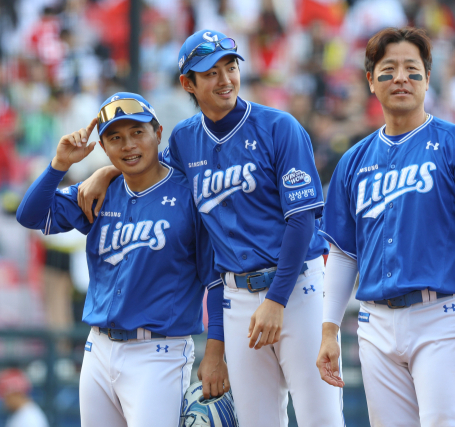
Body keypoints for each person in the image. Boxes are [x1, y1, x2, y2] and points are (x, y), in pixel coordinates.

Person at [78, 30, 345, 427]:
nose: (224, 80)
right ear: (188, 83)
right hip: (237, 299)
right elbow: (147, 168)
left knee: (321, 419)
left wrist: (277, 298)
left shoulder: (279, 127)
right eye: (210, 73)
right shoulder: (186, 140)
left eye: (230, 67)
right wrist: (106, 172)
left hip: (297, 288)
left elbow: (302, 221)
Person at [315, 27, 455, 426]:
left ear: (428, 78)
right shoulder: (353, 161)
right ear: (371, 82)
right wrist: (328, 329)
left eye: (412, 68)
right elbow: (342, 254)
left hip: (444, 315)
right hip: (375, 321)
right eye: (388, 70)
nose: (401, 78)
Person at [16, 92, 228, 427]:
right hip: (98, 349)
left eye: (137, 133)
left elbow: (217, 278)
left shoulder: (190, 193)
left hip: (158, 353)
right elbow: (29, 215)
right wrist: (60, 165)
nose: (128, 145)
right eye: (115, 137)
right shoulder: (99, 192)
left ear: (158, 133)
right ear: (103, 146)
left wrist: (216, 349)